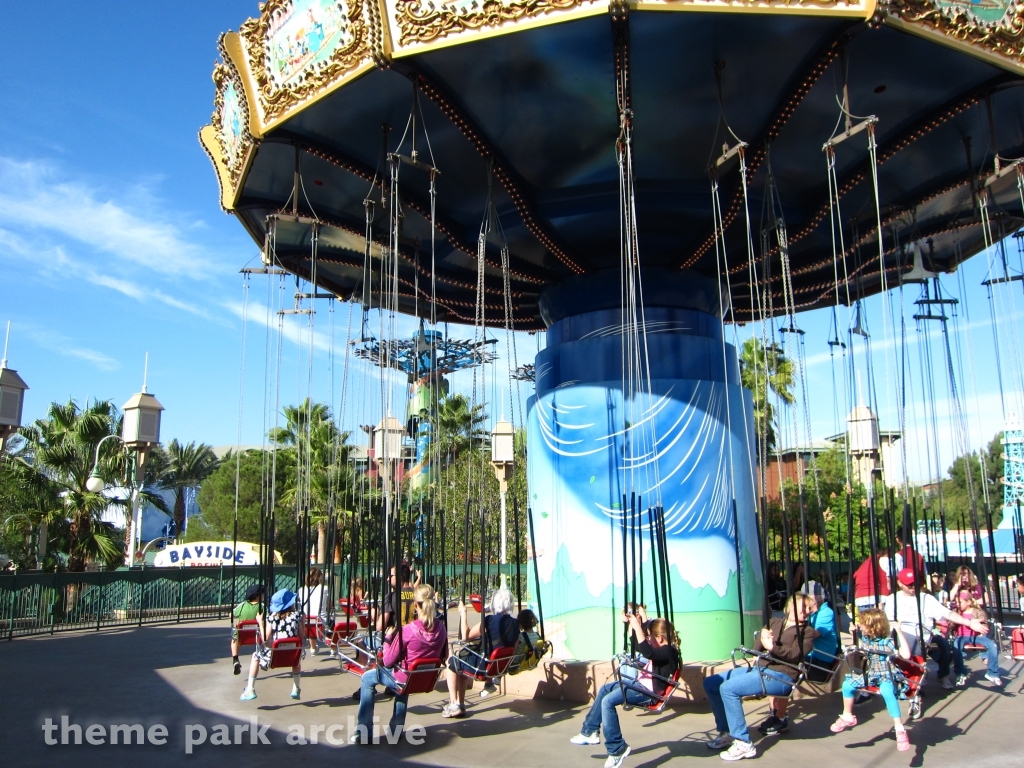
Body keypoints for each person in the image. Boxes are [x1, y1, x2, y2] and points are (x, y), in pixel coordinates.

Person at [704, 594, 818, 761]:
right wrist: (762, 636)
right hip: (761, 668)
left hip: (782, 675)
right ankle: (727, 731)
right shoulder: (775, 622)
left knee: (728, 689)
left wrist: (772, 646)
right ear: (791, 606)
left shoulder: (806, 632)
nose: (807, 611)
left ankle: (743, 742)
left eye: (809, 608)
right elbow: (758, 647)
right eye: (804, 606)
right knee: (711, 683)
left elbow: (795, 655)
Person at [570, 611, 680, 768]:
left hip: (649, 694)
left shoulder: (670, 651)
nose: (648, 640)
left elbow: (648, 652)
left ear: (660, 638)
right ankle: (590, 731)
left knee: (608, 702)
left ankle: (617, 749)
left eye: (650, 637)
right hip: (640, 686)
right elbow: (638, 647)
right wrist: (633, 625)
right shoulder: (662, 650)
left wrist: (638, 626)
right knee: (605, 689)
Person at [352, 584, 448, 744]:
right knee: (404, 679)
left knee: (368, 679)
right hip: (426, 677)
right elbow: (444, 655)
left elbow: (388, 660)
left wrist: (388, 639)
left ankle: (364, 731)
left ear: (416, 605)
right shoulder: (441, 629)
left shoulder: (408, 630)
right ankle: (396, 729)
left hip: (406, 677)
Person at [883, 568, 988, 690]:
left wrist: (968, 623)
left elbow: (948, 614)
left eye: (916, 583)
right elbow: (888, 621)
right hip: (901, 634)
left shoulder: (926, 599)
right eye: (909, 584)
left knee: (943, 645)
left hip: (921, 635)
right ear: (900, 583)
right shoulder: (892, 599)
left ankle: (935, 674)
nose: (913, 587)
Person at [759, 581, 838, 735]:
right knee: (770, 663)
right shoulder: (808, 615)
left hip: (819, 659)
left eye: (807, 603)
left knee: (784, 669)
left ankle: (780, 717)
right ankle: (775, 711)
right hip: (807, 656)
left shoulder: (825, 613)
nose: (805, 610)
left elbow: (807, 636)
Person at [829, 608, 913, 752]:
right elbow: (862, 648)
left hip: (888, 674)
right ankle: (847, 716)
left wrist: (899, 631)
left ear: (872, 626)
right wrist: (853, 632)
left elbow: (906, 654)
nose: (860, 626)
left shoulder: (887, 642)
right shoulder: (868, 639)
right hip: (873, 674)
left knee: (887, 691)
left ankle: (900, 729)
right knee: (847, 685)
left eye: (862, 624)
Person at [442, 588, 521, 718]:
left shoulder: (489, 620)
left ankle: (454, 703)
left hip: (483, 666)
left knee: (452, 663)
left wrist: (463, 613)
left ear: (495, 604)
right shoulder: (516, 624)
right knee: (462, 661)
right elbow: (514, 646)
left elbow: (465, 637)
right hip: (499, 667)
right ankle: (461, 704)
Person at [240, 588, 304, 701]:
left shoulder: (272, 618)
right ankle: (296, 687)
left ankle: (250, 688)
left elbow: (266, 639)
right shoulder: (296, 616)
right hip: (292, 655)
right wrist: (302, 623)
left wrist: (260, 622)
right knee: (297, 660)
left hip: (275, 656)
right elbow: (301, 636)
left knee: (255, 656)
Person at [950, 591, 1002, 686]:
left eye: (960, 602)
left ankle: (993, 673)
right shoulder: (956, 612)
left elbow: (984, 620)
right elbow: (950, 624)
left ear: (968, 602)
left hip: (976, 636)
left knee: (992, 645)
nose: (957, 604)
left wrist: (978, 621)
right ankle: (960, 673)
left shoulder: (977, 612)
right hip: (961, 636)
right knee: (956, 644)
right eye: (956, 602)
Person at [230, 584, 264, 675]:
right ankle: (264, 655)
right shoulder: (262, 606)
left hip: (242, 636)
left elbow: (231, 615)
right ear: (257, 596)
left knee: (234, 639)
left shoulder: (242, 605)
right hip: (256, 636)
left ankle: (235, 659)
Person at [297, 567, 328, 654]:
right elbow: (329, 604)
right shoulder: (324, 588)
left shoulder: (301, 590)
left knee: (310, 622)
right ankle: (333, 647)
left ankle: (313, 648)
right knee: (331, 621)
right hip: (320, 620)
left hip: (306, 620)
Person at [852, 549, 892, 614]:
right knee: (881, 622)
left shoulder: (864, 564)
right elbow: (889, 582)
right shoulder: (884, 560)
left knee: (867, 623)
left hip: (861, 599)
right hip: (880, 598)